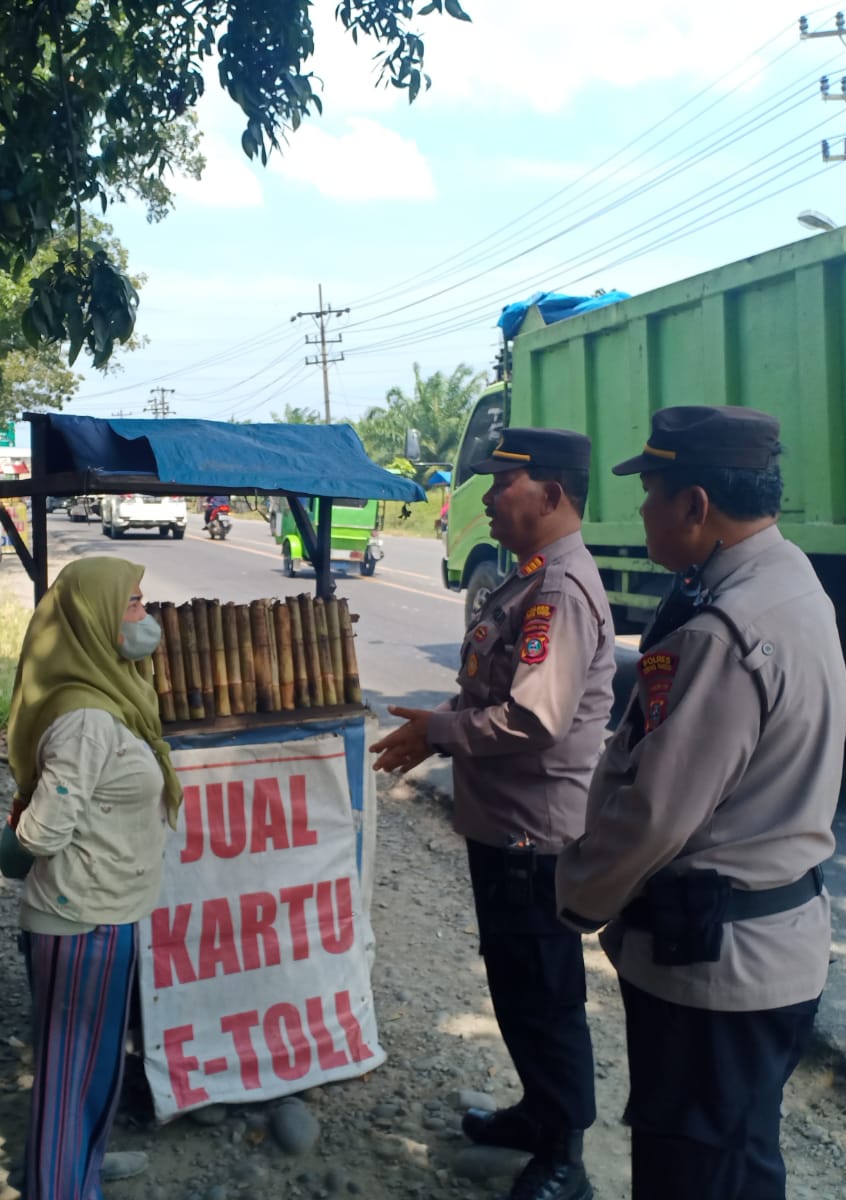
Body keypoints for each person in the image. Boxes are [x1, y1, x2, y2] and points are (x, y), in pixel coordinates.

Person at [555, 406, 846, 1200]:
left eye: (650, 492)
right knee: (735, 1158)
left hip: (718, 967)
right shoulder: (784, 579)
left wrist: (575, 895)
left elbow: (658, 809)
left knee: (693, 1172)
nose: (640, 511)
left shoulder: (724, 625)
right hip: (769, 947)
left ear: (693, 504)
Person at [371, 428, 614, 1200]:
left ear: (549, 493)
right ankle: (538, 1113)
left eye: (501, 483)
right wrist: (436, 726)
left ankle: (564, 1157)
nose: (485, 496)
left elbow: (532, 718)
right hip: (501, 823)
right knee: (514, 983)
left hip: (530, 832)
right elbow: (488, 695)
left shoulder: (558, 592)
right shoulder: (527, 581)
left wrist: (437, 732)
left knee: (543, 993)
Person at [0, 556, 178, 1199]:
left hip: (105, 913)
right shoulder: (87, 718)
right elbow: (43, 829)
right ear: (94, 617)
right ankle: (59, 1186)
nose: (144, 616)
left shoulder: (112, 695)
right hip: (81, 924)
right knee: (68, 1078)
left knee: (90, 1073)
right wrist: (13, 847)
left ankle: (81, 1177)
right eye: (132, 603)